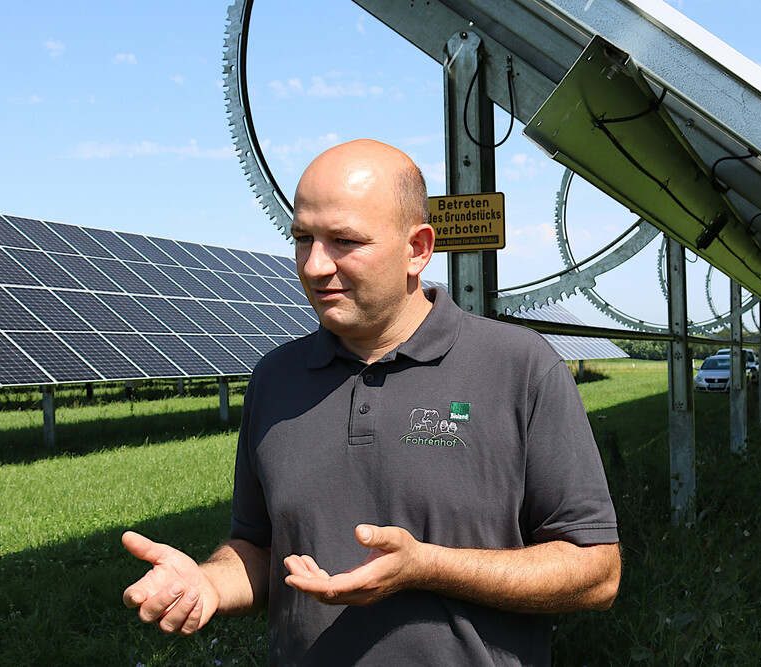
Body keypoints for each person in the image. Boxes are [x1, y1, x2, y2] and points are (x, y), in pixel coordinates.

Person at [122, 139, 621, 665]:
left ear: (418, 249)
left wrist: (426, 566)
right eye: (302, 239)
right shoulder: (275, 379)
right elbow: (258, 548)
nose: (315, 266)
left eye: (344, 241)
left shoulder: (519, 368)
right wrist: (208, 583)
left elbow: (596, 573)